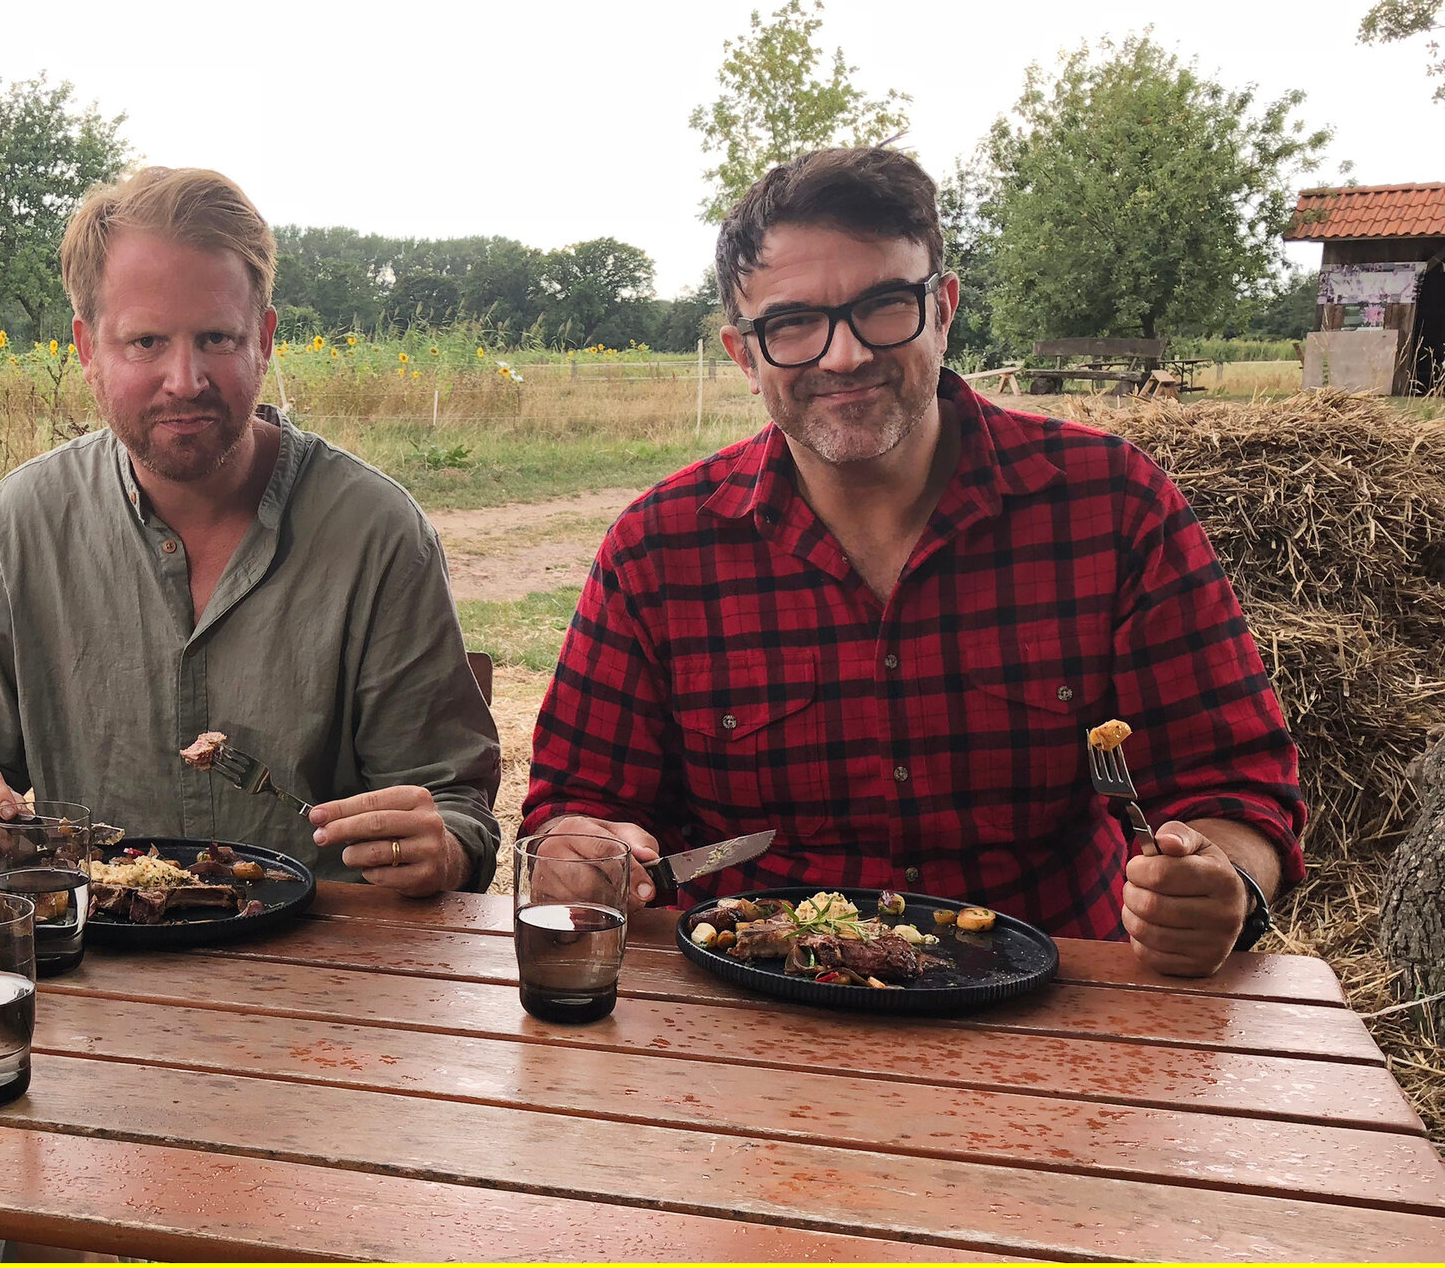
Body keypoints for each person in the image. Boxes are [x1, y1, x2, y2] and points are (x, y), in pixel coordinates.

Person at [523, 148, 1303, 977]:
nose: (843, 356)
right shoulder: (659, 547)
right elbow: (577, 805)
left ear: (943, 310)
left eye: (882, 305)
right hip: (747, 996)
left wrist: (1220, 880)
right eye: (792, 324)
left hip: (1054, 996)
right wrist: (580, 852)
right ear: (744, 355)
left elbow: (1236, 785)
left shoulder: (1110, 505)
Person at [0, 167, 500, 894]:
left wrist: (443, 848)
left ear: (263, 339)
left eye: (216, 338)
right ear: (87, 349)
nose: (185, 380)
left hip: (325, 949)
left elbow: (452, 804)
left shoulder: (377, 532)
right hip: (97, 944)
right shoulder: (21, 523)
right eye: (145, 342)